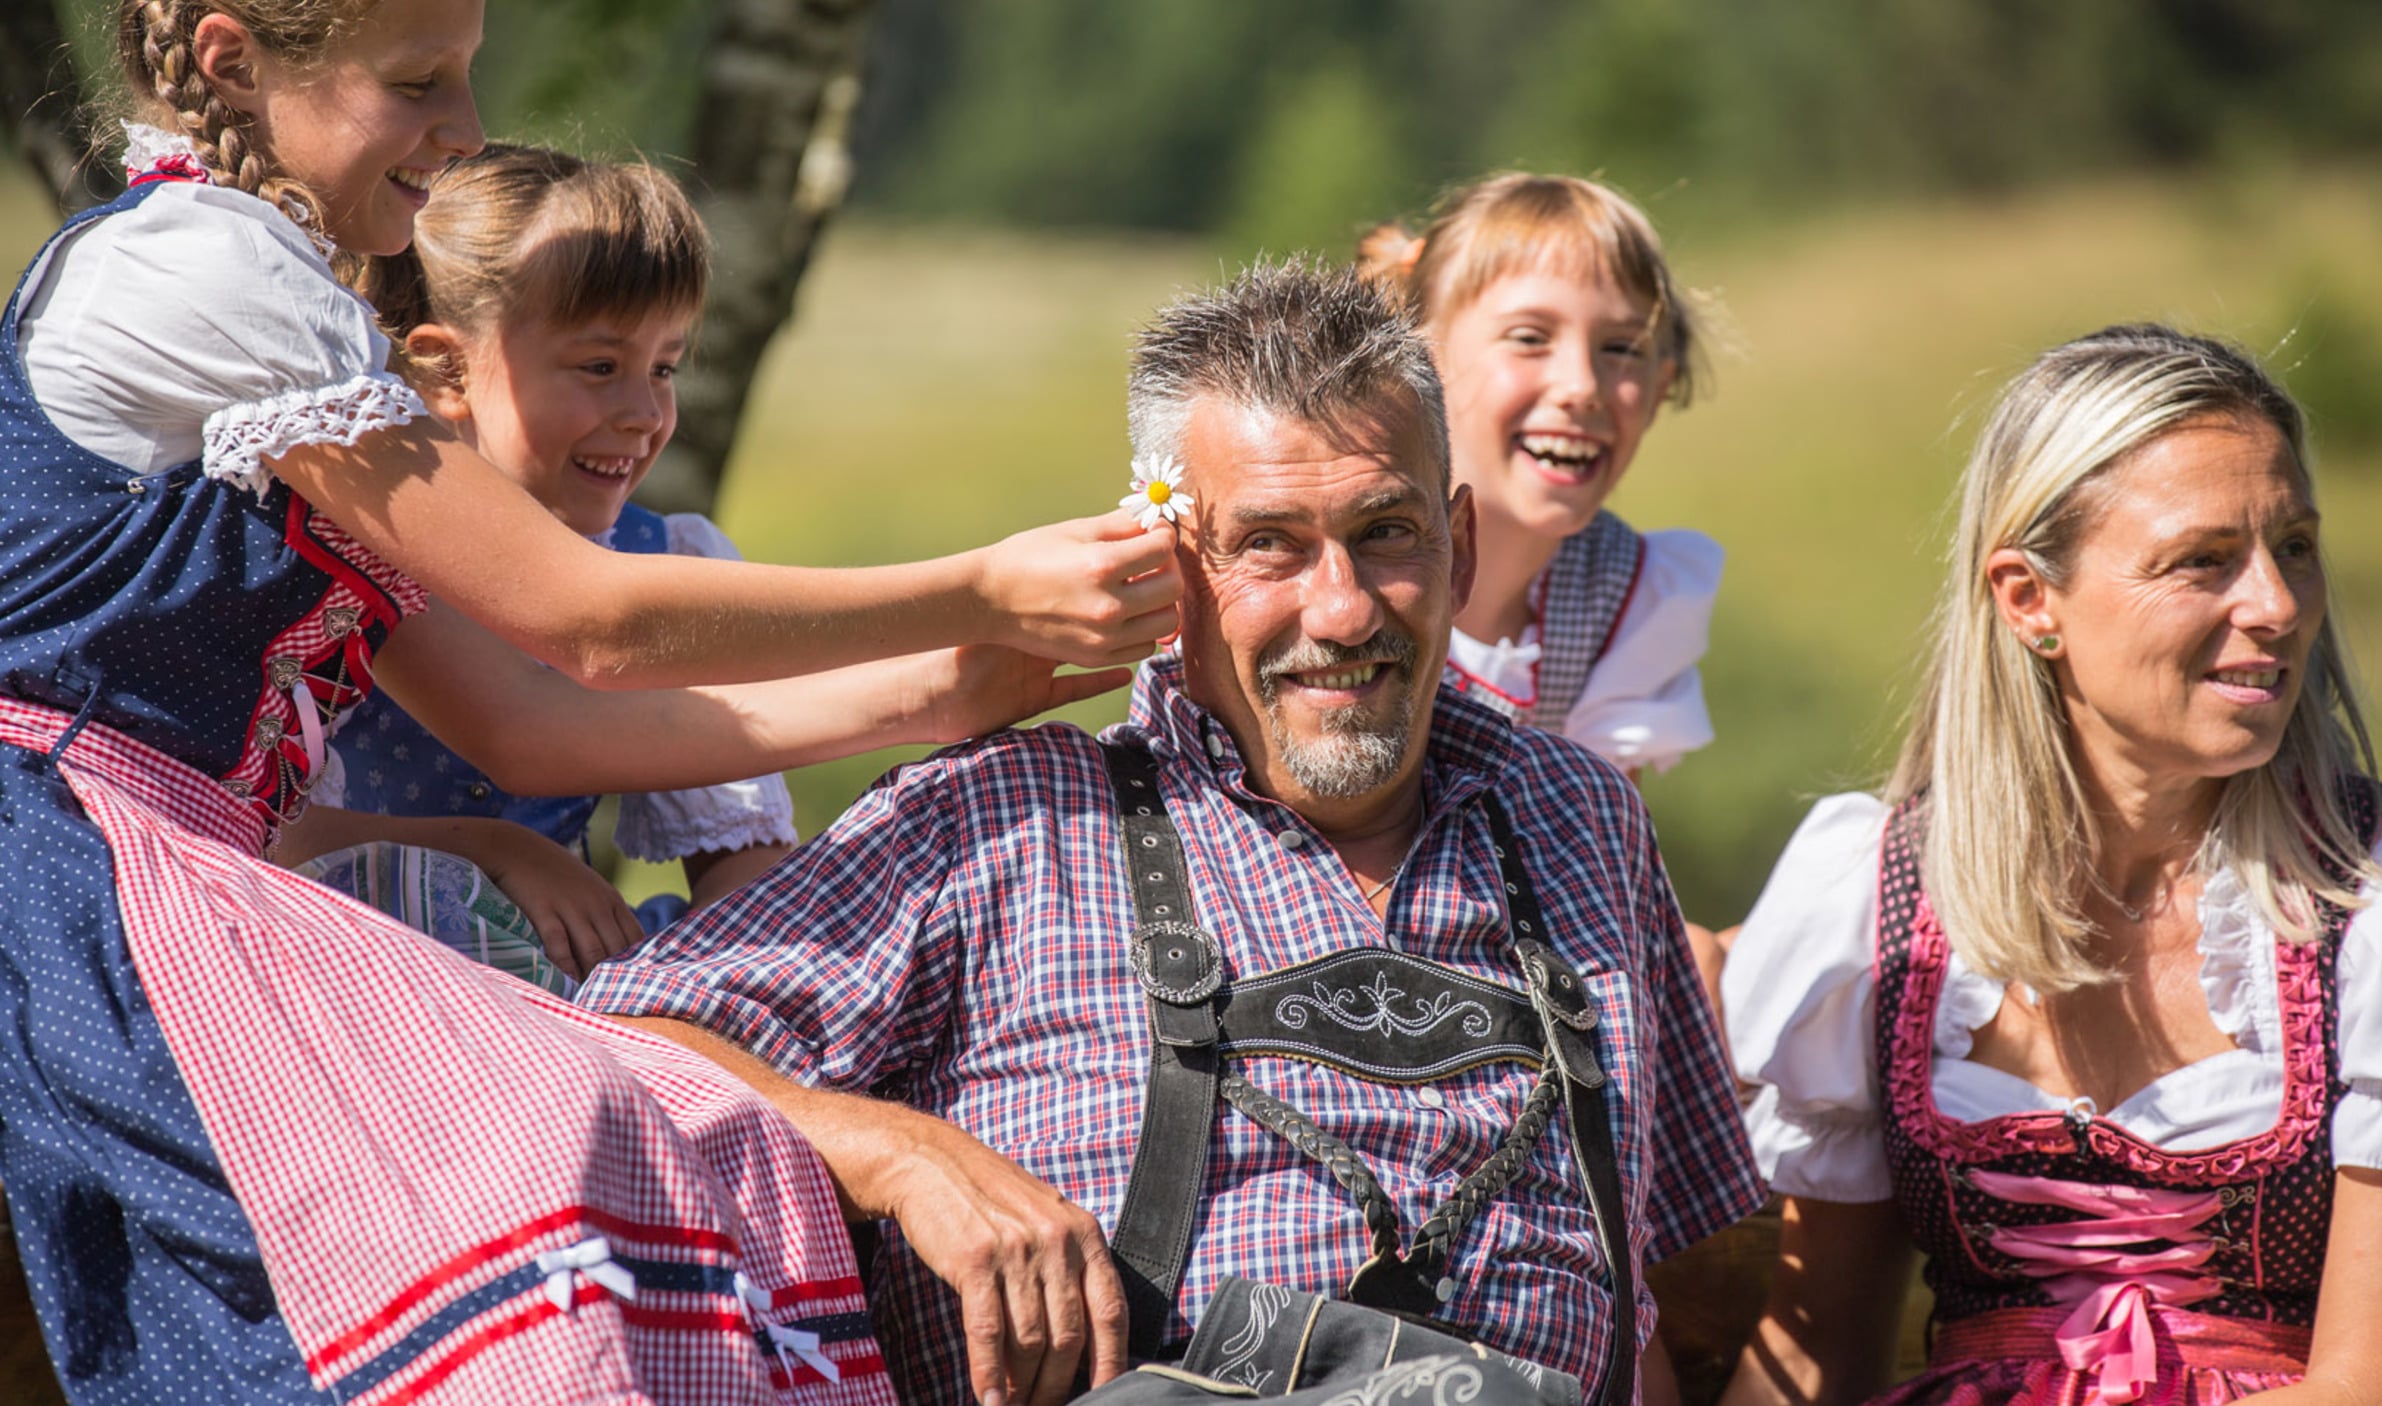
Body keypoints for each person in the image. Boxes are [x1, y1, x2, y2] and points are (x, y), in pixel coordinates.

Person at [0, 1, 1175, 1400]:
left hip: (154, 869)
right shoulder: (200, 271)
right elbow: (587, 617)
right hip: (60, 871)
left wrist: (941, 686)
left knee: (615, 1120)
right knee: (545, 1161)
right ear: (230, 58)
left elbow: (526, 719)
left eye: (470, 75)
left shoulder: (287, 305)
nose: (465, 130)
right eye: (418, 81)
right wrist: (978, 586)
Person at [579, 261, 1765, 1406]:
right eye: (1269, 545)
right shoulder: (1001, 819)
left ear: (1457, 536)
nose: (1342, 608)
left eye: (1387, 531)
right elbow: (617, 1041)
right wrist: (897, 1153)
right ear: (1166, 565)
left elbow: (1697, 1269)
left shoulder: (1579, 815)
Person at [1715, 325, 2382, 1404]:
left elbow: (2376, 1389)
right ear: (2029, 598)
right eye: (2202, 560)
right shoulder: (1879, 893)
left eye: (2296, 544)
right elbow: (1814, 1355)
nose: (2275, 603)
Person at [271, 144, 805, 991]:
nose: (644, 414)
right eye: (600, 367)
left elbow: (747, 865)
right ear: (448, 367)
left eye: (663, 367)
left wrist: (712, 997)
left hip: (564, 986)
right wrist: (494, 848)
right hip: (350, 969)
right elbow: (247, 830)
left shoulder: (665, 557)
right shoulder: (341, 551)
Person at [1357, 173, 1718, 777]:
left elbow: (1603, 849)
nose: (1581, 386)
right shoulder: (1345, 574)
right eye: (1529, 338)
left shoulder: (1624, 602)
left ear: (1660, 387)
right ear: (1421, 359)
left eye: (1622, 348)